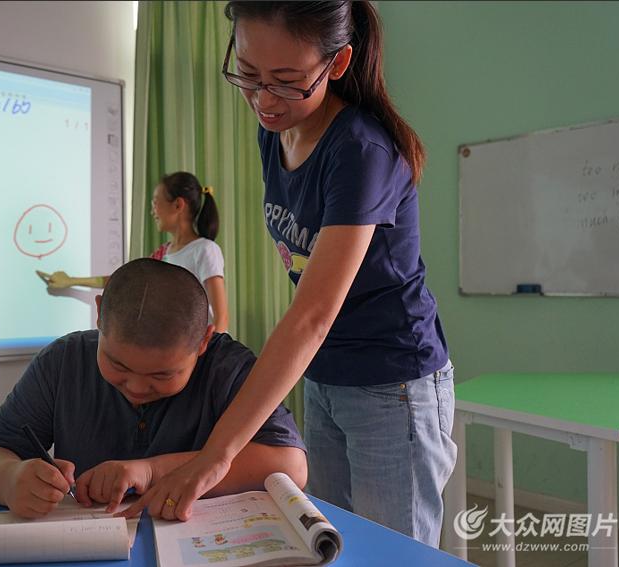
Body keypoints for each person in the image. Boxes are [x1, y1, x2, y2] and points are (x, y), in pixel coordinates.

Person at [123, 1, 456, 548]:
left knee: (394, 553)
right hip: (326, 376)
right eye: (249, 75)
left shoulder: (360, 149)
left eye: (287, 81)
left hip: (394, 382)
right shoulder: (274, 131)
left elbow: (311, 317)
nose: (264, 100)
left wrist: (216, 457)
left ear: (338, 62)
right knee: (333, 541)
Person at [0, 258, 306, 518]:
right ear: (99, 316)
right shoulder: (64, 361)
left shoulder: (227, 369)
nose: (138, 387)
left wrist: (153, 470)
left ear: (203, 341)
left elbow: (291, 465)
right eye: (119, 366)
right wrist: (11, 479)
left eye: (162, 375)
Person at [40, 171, 229, 333]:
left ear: (178, 205)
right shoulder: (163, 253)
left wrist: (207, 358)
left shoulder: (205, 250)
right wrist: (72, 281)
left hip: (202, 355)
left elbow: (221, 319)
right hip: (178, 357)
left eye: (156, 203)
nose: (152, 211)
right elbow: (125, 278)